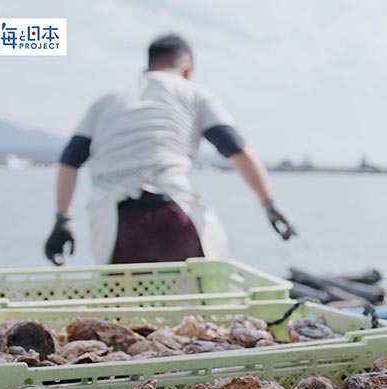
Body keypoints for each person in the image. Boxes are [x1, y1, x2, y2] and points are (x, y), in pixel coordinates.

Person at [44, 34, 295, 266]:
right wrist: (269, 204)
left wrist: (62, 219)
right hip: (174, 214)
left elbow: (69, 160)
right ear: (187, 69)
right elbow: (237, 150)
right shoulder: (195, 93)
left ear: (148, 65)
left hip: (114, 222)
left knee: (124, 301)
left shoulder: (107, 100)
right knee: (201, 290)